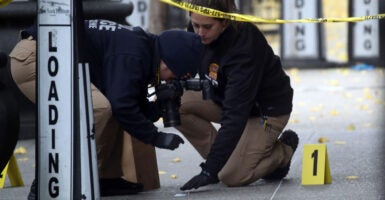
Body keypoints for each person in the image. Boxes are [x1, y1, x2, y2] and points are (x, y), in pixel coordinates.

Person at [9, 19, 203, 197]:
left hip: (51, 56)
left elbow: (134, 109)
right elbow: (122, 106)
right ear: (167, 59)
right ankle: (55, 177)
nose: (170, 81)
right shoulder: (134, 52)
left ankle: (101, 179)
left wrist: (160, 104)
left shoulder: (146, 51)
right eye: (173, 76)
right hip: (36, 58)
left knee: (109, 104)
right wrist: (156, 137)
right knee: (100, 108)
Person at [176, 0, 299, 191]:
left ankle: (283, 153)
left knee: (232, 176)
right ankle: (229, 158)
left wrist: (209, 171)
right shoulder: (200, 29)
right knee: (174, 102)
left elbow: (235, 116)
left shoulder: (244, 48)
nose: (199, 33)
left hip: (264, 111)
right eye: (195, 25)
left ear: (225, 22)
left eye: (207, 27)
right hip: (224, 97)